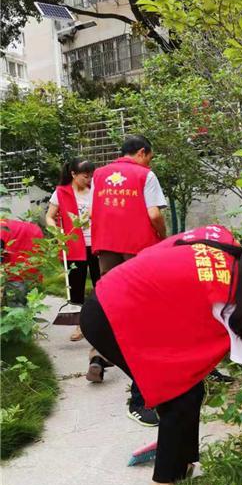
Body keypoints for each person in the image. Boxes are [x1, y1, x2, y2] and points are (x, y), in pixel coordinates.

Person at [80, 224, 242, 485]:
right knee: (177, 399)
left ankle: (181, 469)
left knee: (190, 388)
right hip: (112, 315)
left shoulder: (228, 250)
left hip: (118, 297)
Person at [87, 135, 167, 426]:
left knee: (109, 301)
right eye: (150, 156)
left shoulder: (98, 174)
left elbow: (96, 210)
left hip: (106, 244)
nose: (149, 161)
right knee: (141, 303)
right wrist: (163, 235)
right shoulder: (145, 174)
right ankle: (142, 358)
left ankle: (98, 354)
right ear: (143, 152)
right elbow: (154, 213)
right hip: (139, 247)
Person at [46, 158, 99, 341]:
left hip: (98, 244)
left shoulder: (96, 191)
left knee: (101, 283)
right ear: (73, 174)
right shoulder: (61, 193)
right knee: (76, 287)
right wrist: (57, 234)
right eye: (85, 176)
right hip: (74, 245)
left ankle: (102, 323)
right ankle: (80, 325)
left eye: (91, 176)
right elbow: (49, 217)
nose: (89, 179)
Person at [0, 217, 43, 304]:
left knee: (16, 312)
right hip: (33, 274)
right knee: (28, 309)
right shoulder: (6, 224)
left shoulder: (2, 229)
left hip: (14, 277)